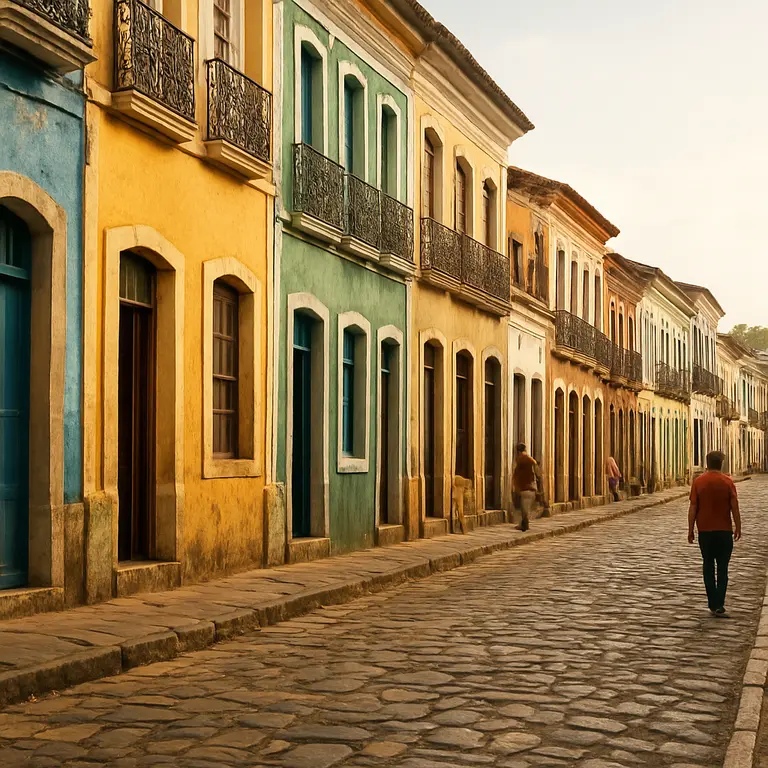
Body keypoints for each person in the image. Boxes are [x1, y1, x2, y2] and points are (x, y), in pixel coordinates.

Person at [688, 450, 741, 617]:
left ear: (707, 463)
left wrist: (690, 529)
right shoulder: (728, 482)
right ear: (721, 464)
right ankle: (720, 603)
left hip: (705, 532)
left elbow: (693, 507)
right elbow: (734, 507)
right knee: (723, 568)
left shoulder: (698, 482)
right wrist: (738, 526)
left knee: (708, 565)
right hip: (724, 532)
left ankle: (713, 602)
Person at [513, 443, 541, 532]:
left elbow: (516, 474)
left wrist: (515, 486)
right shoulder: (532, 460)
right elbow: (538, 474)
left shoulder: (520, 460)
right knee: (525, 508)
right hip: (532, 488)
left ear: (518, 451)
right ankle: (523, 524)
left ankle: (524, 525)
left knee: (524, 508)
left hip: (524, 488)